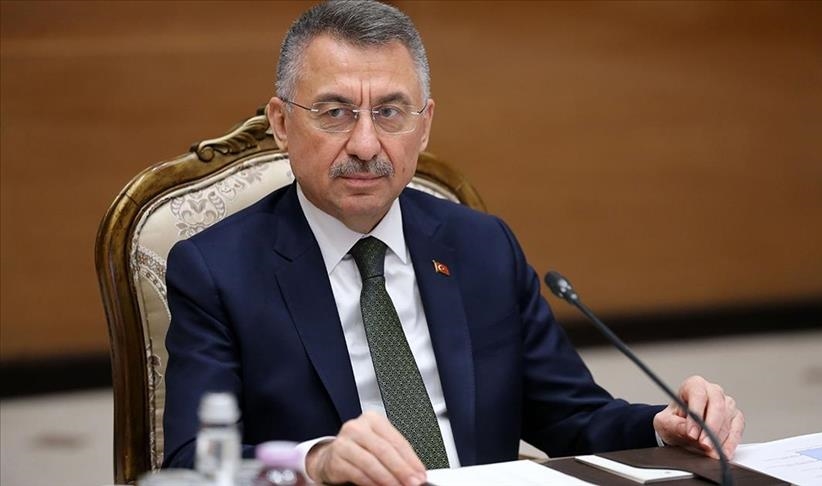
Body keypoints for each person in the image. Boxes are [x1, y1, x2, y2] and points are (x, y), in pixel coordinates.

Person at [162, 1, 744, 485]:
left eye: (390, 112)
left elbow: (571, 416)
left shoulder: (482, 246)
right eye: (335, 112)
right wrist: (316, 463)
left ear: (424, 125)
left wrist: (661, 426)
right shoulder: (217, 271)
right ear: (282, 123)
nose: (365, 144)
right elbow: (192, 465)